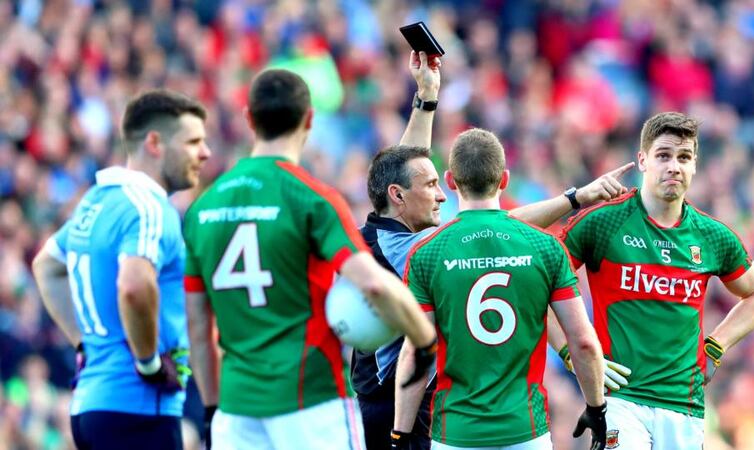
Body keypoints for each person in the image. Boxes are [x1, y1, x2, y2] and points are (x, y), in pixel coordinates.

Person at [353, 51, 634, 450]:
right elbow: (494, 231)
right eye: (429, 187)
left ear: (453, 180)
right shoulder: (417, 249)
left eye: (439, 183)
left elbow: (407, 173)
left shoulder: (386, 235)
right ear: (504, 179)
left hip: (434, 416)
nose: (436, 195)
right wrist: (574, 198)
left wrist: (426, 98)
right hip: (398, 406)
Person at [182, 67, 438, 450]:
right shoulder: (311, 199)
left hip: (236, 411)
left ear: (249, 120)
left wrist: (211, 407)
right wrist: (424, 339)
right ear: (309, 119)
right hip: (310, 402)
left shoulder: (203, 210)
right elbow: (371, 282)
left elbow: (198, 326)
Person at [552, 111, 754, 449]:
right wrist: (570, 353)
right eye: (664, 156)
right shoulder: (603, 222)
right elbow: (539, 282)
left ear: (695, 164)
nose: (674, 166)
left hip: (684, 406)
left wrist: (716, 347)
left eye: (684, 157)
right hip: (620, 400)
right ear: (642, 160)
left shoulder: (712, 236)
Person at [393, 128, 608, 450]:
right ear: (504, 179)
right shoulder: (545, 247)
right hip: (526, 431)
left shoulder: (428, 254)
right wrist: (596, 408)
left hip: (456, 434)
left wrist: (400, 435)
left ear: (450, 181)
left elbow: (415, 353)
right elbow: (584, 343)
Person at [31, 89, 212, 450]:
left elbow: (47, 266)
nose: (204, 153)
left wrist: (85, 344)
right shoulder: (150, 208)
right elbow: (133, 284)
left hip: (91, 408)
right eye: (193, 142)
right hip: (138, 410)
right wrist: (148, 365)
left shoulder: (96, 201)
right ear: (155, 143)